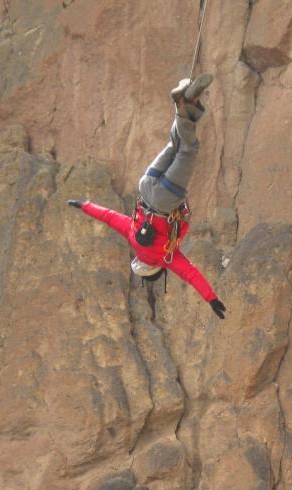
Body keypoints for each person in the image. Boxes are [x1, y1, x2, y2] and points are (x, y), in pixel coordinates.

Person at [67, 74, 226, 319]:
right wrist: (84, 205)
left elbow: (192, 274)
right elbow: (108, 217)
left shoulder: (165, 257)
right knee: (174, 145)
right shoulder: (132, 235)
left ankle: (184, 104)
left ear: (153, 269)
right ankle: (185, 103)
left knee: (188, 150)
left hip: (166, 199)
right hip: (146, 185)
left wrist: (212, 299)